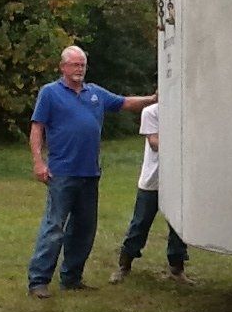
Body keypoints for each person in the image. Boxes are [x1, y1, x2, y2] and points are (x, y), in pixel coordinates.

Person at [27, 45, 156, 298]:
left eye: (82, 65)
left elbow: (125, 102)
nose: (79, 70)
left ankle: (72, 278)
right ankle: (38, 281)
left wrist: (152, 100)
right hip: (62, 173)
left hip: (90, 173)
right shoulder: (50, 93)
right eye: (74, 65)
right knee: (54, 227)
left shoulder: (94, 93)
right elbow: (37, 127)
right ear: (63, 67)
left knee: (84, 228)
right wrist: (38, 162)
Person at [109, 101, 191, 284]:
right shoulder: (151, 112)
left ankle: (177, 269)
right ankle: (124, 265)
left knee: (178, 226)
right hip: (152, 180)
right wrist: (185, 143)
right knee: (140, 223)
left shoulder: (186, 110)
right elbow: (154, 142)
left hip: (178, 179)